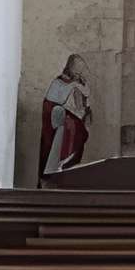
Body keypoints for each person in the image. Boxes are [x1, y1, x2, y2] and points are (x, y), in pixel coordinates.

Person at [39, 53, 92, 181]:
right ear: (70, 67)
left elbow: (85, 96)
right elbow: (53, 103)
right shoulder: (59, 82)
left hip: (71, 117)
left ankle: (68, 163)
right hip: (57, 116)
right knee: (70, 125)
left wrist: (79, 86)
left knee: (76, 128)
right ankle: (60, 164)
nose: (79, 72)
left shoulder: (78, 83)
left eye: (81, 69)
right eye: (77, 68)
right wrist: (73, 85)